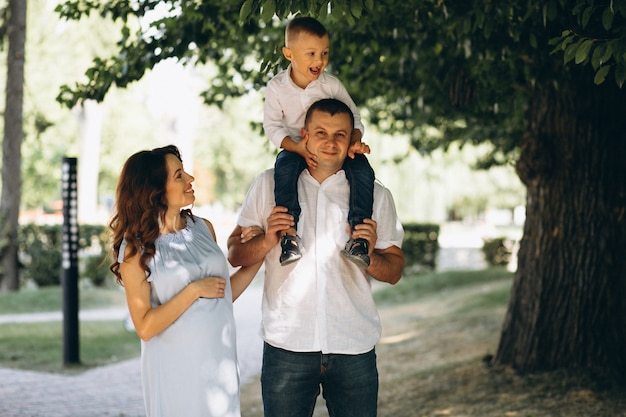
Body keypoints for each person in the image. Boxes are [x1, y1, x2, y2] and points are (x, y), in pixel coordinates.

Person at [228, 99, 405, 417]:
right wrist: (268, 239)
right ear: (304, 134)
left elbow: (394, 271)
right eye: (321, 132)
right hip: (287, 346)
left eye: (341, 134)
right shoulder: (269, 185)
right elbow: (235, 253)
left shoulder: (376, 196)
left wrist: (371, 255)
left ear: (352, 140)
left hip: (353, 343)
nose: (330, 141)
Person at [109, 145, 261, 417]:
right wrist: (192, 290)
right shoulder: (135, 250)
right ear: (154, 190)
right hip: (175, 369)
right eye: (179, 175)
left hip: (218, 364)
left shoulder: (203, 228)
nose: (190, 178)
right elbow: (144, 326)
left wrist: (264, 247)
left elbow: (222, 293)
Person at [264, 16, 375, 267]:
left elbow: (354, 117)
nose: (319, 61)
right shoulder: (277, 88)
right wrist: (296, 148)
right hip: (295, 147)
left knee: (362, 169)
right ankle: (289, 235)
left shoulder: (331, 85)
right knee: (284, 170)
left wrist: (354, 142)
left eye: (324, 53)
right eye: (311, 53)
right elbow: (271, 126)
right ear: (288, 54)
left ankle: (358, 236)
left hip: (334, 148)